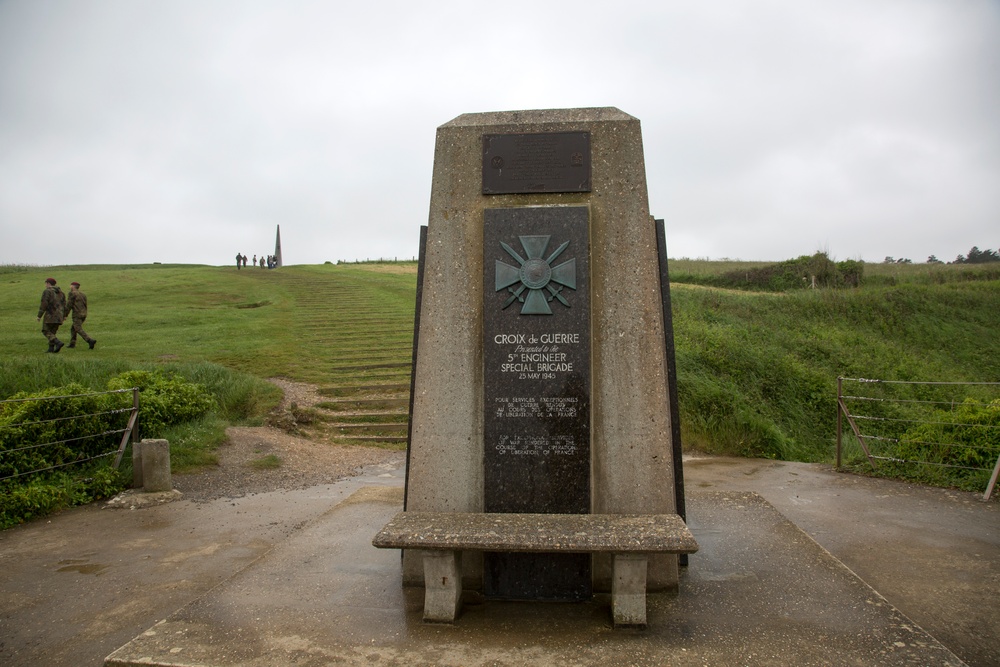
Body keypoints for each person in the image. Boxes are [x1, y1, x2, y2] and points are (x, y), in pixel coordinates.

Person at [37, 277, 66, 353]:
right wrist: (64, 315)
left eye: (46, 283)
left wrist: (39, 315)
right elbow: (64, 305)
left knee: (46, 330)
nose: (45, 285)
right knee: (53, 332)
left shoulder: (47, 291)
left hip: (50, 315)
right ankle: (51, 349)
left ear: (48, 283)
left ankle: (58, 342)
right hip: (59, 316)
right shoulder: (61, 293)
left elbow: (44, 303)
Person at [64, 281, 97, 349]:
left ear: (72, 286)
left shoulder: (72, 293)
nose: (70, 287)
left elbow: (69, 305)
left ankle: (89, 340)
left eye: (70, 285)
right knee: (73, 328)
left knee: (77, 328)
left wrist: (65, 315)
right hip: (83, 313)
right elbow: (85, 304)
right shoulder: (83, 294)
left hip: (77, 313)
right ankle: (72, 343)